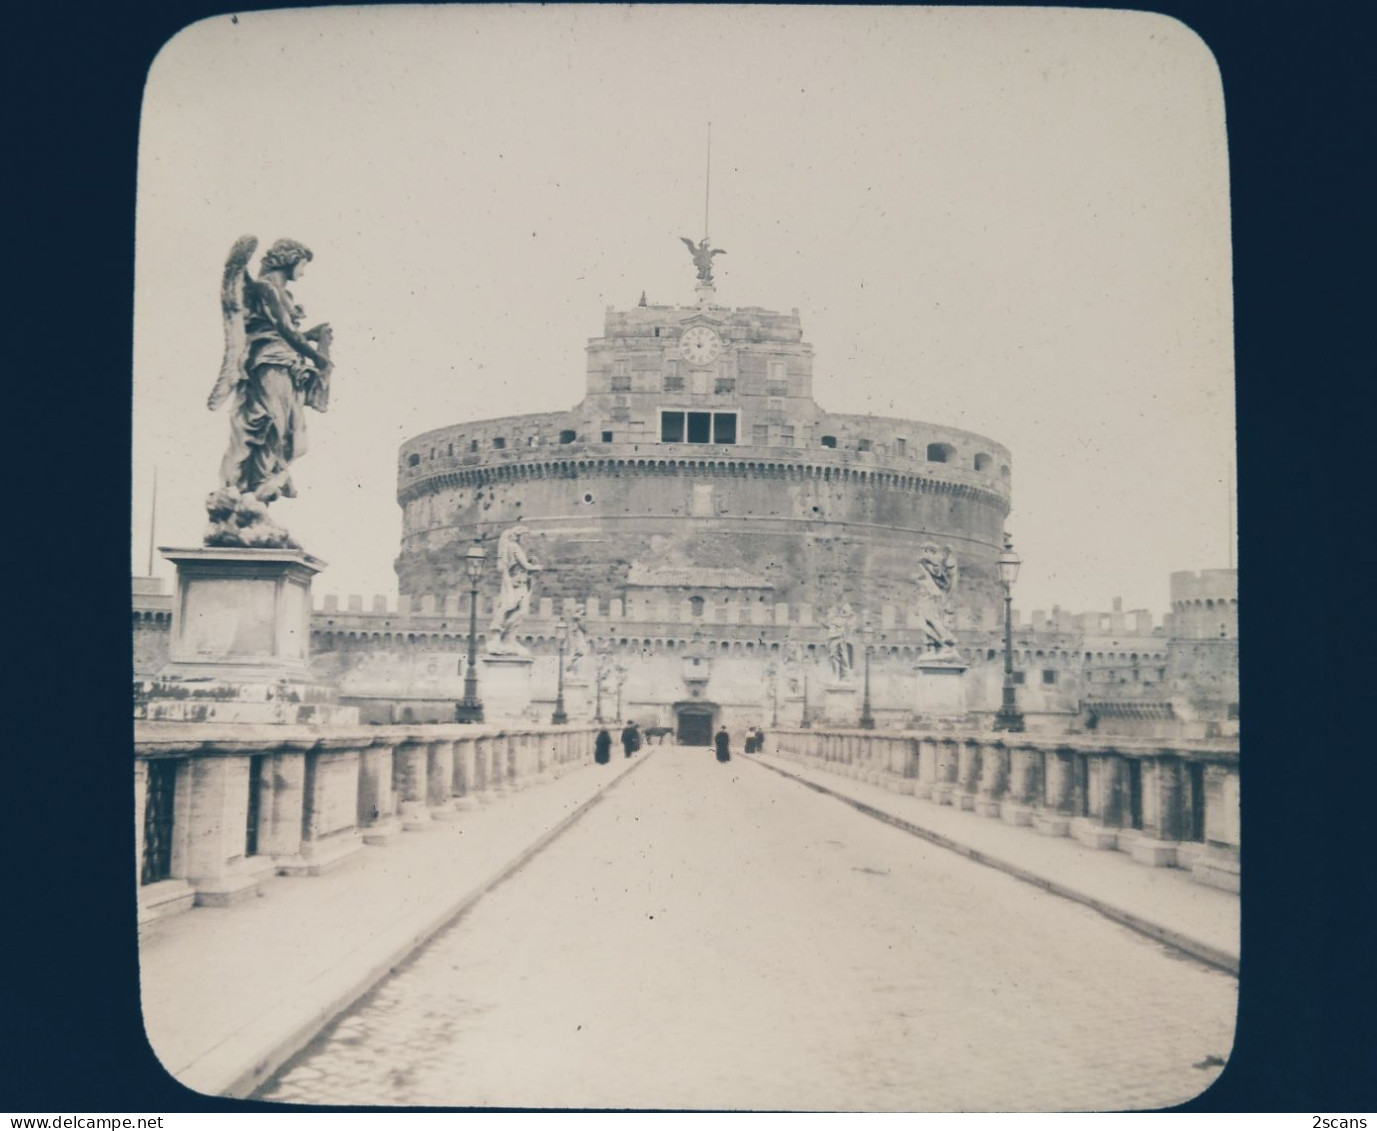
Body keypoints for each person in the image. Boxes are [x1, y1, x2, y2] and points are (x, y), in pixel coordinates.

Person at [210, 236, 333, 506]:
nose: (303, 271)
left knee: (286, 428)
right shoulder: (266, 288)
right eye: (302, 264)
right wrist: (318, 357)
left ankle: (259, 489)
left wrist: (311, 336)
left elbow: (285, 331)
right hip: (269, 365)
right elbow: (285, 331)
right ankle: (254, 487)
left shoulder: (280, 293)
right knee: (270, 425)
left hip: (285, 366)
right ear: (290, 260)